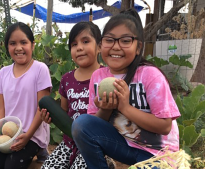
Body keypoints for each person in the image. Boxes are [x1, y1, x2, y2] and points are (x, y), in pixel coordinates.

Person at [71, 9, 181, 169]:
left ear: (138, 47)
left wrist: (124, 107)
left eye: (125, 40)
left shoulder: (150, 75)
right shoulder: (98, 77)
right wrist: (105, 110)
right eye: (109, 40)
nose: (116, 46)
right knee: (81, 124)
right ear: (101, 46)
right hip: (125, 147)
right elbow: (93, 127)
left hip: (159, 154)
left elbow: (165, 126)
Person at [40, 22, 115, 169]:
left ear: (99, 46)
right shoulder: (66, 79)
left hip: (96, 143)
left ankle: (107, 161)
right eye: (74, 44)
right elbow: (64, 113)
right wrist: (51, 118)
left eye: (85, 41)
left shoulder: (107, 77)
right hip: (69, 142)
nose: (79, 47)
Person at [0, 22, 52, 169]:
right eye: (12, 43)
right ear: (7, 47)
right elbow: (1, 109)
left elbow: (41, 109)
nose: (18, 48)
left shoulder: (40, 69)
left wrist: (27, 136)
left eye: (24, 42)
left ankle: (41, 150)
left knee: (12, 166)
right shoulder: (4, 72)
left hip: (32, 134)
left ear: (32, 45)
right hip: (9, 133)